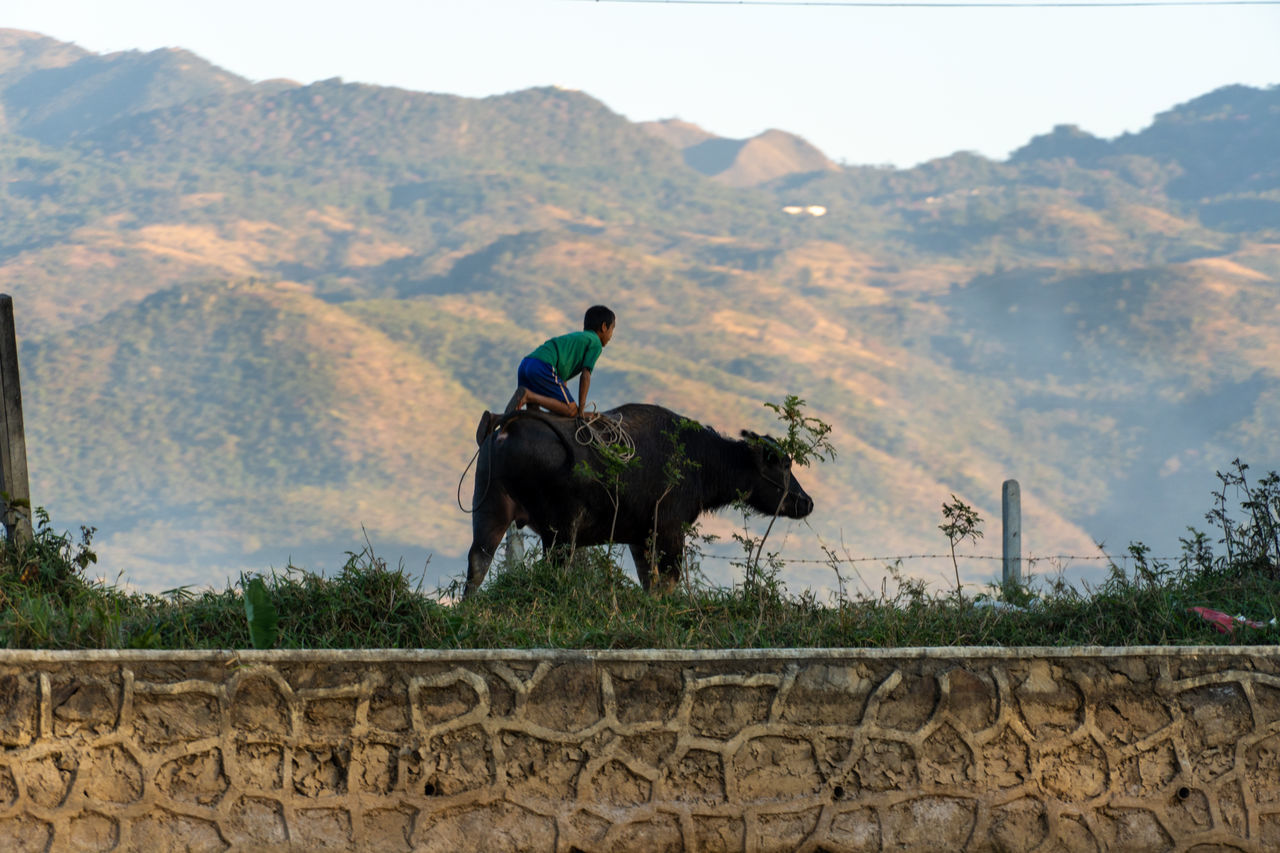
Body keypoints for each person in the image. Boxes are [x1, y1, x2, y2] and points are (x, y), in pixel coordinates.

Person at [504, 305, 616, 419]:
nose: (612, 335)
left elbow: (561, 379)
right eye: (612, 328)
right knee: (571, 410)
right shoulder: (595, 343)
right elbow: (586, 375)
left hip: (526, 364)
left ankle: (497, 419)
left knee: (533, 415)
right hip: (543, 365)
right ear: (604, 327)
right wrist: (580, 411)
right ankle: (529, 396)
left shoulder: (578, 338)